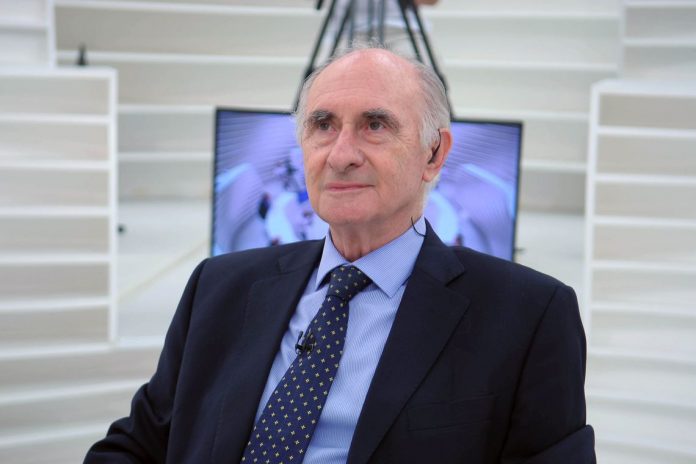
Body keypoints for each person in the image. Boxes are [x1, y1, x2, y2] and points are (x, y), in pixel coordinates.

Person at [85, 47, 595, 463]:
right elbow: (136, 447)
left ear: (434, 154)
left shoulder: (528, 316)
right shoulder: (218, 287)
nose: (341, 154)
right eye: (323, 125)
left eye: (375, 125)